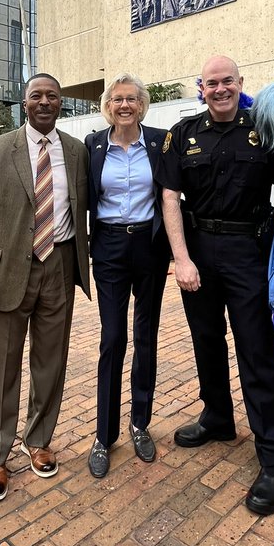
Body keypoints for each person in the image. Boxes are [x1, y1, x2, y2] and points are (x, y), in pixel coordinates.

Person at [160, 54, 274, 516]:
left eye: (227, 82)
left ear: (240, 83)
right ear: (201, 87)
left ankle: (273, 458)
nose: (219, 89)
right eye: (211, 83)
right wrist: (180, 258)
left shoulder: (265, 131)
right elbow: (169, 198)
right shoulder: (184, 134)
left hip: (247, 251)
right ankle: (217, 417)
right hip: (197, 249)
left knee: (257, 350)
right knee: (206, 341)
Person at [0, 73, 90, 502]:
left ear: (60, 103)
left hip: (60, 263)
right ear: (24, 102)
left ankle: (38, 440)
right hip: (5, 274)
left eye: (52, 96)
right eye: (36, 95)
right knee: (1, 366)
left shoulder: (75, 151)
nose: (44, 102)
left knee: (50, 360)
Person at [85, 73, 170, 478]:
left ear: (142, 104)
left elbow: (171, 194)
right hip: (109, 249)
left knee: (146, 335)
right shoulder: (93, 145)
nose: (124, 105)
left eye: (131, 99)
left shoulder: (159, 141)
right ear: (108, 105)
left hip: (149, 246)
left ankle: (140, 423)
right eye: (117, 99)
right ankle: (104, 434)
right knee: (113, 337)